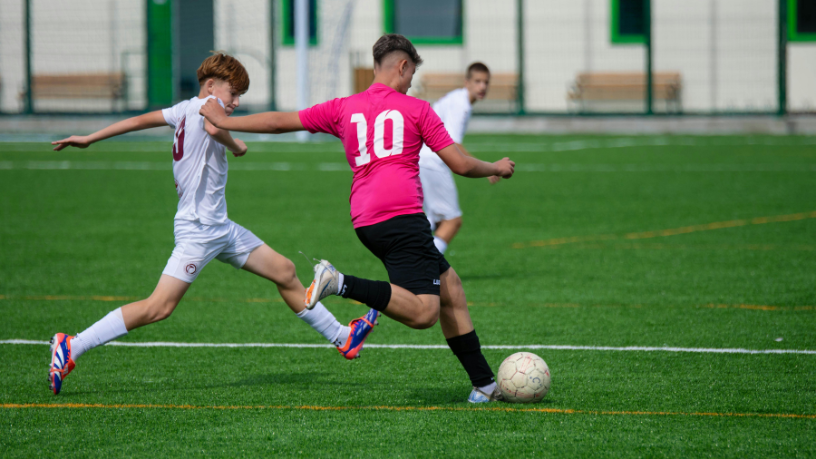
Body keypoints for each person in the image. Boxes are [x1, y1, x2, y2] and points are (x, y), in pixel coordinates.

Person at [199, 35, 515, 403]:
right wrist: (496, 166)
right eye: (411, 71)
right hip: (402, 215)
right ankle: (339, 282)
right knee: (424, 312)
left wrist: (224, 120)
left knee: (452, 289)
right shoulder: (417, 109)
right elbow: (459, 163)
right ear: (402, 66)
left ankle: (484, 385)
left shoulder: (344, 107)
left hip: (366, 218)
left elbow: (279, 122)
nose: (411, 80)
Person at [46, 52, 378, 396]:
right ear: (210, 86)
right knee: (159, 307)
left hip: (221, 228)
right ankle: (72, 345)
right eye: (232, 94)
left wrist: (90, 137)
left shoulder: (183, 108)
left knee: (284, 270)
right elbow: (212, 125)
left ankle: (343, 337)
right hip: (199, 230)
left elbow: (138, 121)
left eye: (239, 97)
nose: (235, 102)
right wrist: (236, 145)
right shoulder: (205, 109)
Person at [419, 62, 499, 255]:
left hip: (424, 158)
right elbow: (453, 144)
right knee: (453, 221)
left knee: (435, 219)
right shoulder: (461, 104)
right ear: (467, 82)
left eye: (486, 82)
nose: (482, 87)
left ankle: (410, 252)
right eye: (478, 81)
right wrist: (487, 169)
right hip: (433, 162)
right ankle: (426, 266)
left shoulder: (458, 99)